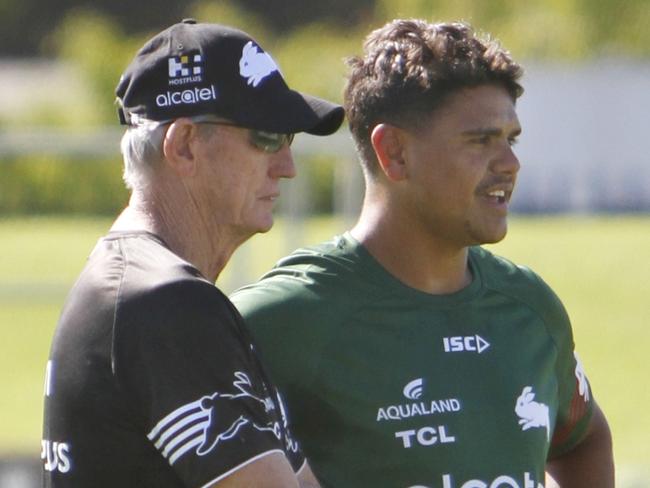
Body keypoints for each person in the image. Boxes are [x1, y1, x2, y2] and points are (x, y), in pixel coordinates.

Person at [231, 19, 615, 488]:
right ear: (394, 152)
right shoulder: (281, 319)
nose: (510, 164)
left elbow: (583, 438)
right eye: (480, 140)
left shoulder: (530, 308)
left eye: (510, 139)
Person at [41, 19, 344, 488]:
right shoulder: (165, 302)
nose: (287, 167)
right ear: (183, 146)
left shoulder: (144, 286)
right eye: (265, 137)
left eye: (290, 140)